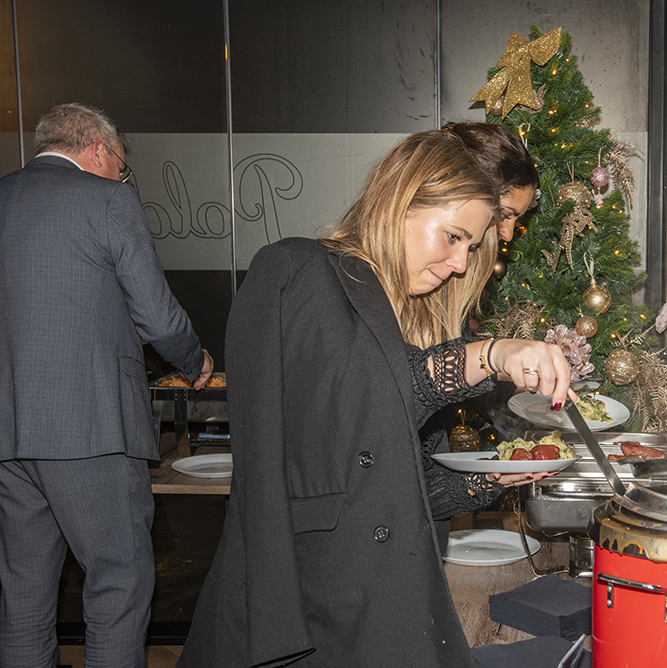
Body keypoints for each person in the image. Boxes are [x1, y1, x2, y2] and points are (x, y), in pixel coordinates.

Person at [178, 130, 573, 667]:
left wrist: (489, 479)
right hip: (306, 603)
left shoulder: (411, 318)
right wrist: (490, 354)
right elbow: (360, 406)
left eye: (471, 247)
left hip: (384, 603)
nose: (460, 263)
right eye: (453, 236)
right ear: (401, 200)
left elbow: (397, 493)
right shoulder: (298, 271)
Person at [0, 102, 214, 666]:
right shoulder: (108, 200)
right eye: (121, 164)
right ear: (98, 149)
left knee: (23, 598)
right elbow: (159, 317)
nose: (121, 176)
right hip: (89, 429)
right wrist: (194, 360)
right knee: (118, 583)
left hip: (8, 435)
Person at [423, 122, 542, 550]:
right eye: (505, 214)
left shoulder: (448, 298)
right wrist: (491, 355)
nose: (507, 233)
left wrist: (490, 477)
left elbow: (418, 491)